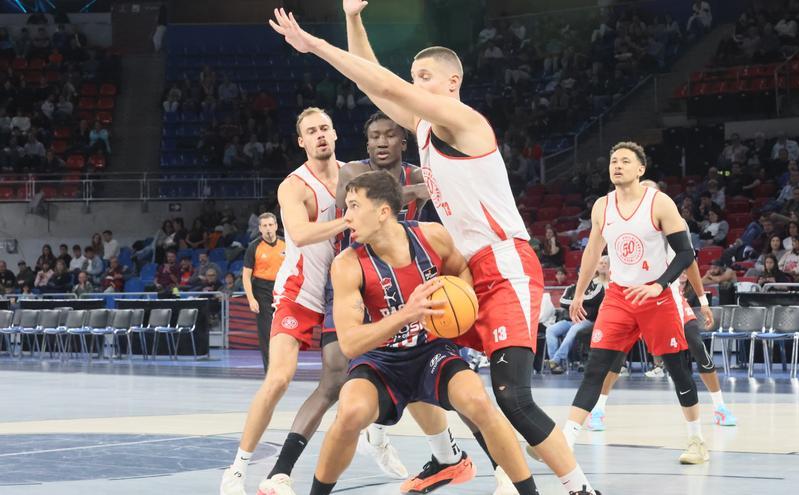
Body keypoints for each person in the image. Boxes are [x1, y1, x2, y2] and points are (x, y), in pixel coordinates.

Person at [270, 4, 597, 493]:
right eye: (413, 76)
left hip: (504, 263)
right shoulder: (426, 129)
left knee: (512, 397)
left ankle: (579, 488)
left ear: (451, 82)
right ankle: (448, 457)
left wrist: (314, 44)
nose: (414, 83)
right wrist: (355, 20)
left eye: (424, 76)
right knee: (418, 354)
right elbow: (375, 83)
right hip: (465, 271)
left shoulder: (464, 121)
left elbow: (387, 86)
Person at [310, 171, 547, 495]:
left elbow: (460, 269)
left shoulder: (431, 236)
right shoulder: (347, 264)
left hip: (431, 352)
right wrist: (408, 312)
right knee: (350, 412)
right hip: (381, 360)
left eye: (353, 206)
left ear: (382, 212)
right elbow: (350, 343)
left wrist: (458, 301)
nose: (346, 216)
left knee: (477, 400)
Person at [223, 108, 405, 495]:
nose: (320, 135)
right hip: (301, 292)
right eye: (311, 131)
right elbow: (302, 234)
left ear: (336, 134)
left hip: (345, 292)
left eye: (325, 128)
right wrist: (352, 218)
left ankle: (378, 436)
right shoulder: (294, 186)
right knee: (279, 378)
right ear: (301, 141)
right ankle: (237, 469)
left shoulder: (354, 174)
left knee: (364, 371)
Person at [562, 141, 708, 465]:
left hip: (657, 298)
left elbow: (686, 253)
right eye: (614, 160)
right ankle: (565, 441)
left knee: (678, 370)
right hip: (619, 296)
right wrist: (578, 291)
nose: (617, 165)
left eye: (625, 161)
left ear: (640, 169)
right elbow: (591, 253)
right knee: (596, 369)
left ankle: (697, 440)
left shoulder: (659, 203)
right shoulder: (602, 205)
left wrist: (659, 286)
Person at [581, 179, 735, 431]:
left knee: (696, 344)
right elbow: (600, 253)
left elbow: (690, 262)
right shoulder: (620, 218)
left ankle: (719, 406)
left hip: (666, 297)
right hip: (629, 298)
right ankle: (598, 409)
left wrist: (703, 299)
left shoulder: (673, 220)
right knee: (614, 356)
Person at [544, 256, 609, 374]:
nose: (584, 273)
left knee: (574, 329)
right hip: (569, 320)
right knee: (550, 330)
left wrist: (576, 300)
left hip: (586, 320)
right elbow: (562, 302)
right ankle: (555, 364)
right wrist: (577, 301)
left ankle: (556, 360)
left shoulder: (597, 286)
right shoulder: (571, 288)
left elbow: (592, 299)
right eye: (581, 271)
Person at [242, 212, 286, 371]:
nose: (268, 229)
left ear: (276, 226)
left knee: (284, 331)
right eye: (264, 226)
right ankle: (270, 370)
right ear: (260, 228)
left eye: (270, 225)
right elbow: (246, 276)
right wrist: (251, 299)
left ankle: (284, 366)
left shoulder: (286, 244)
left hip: (282, 290)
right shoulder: (254, 246)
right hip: (261, 290)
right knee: (266, 331)